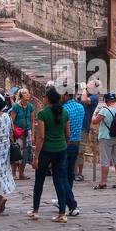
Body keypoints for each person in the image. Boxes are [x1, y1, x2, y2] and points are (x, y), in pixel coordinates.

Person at [29, 85, 74, 222]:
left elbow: (41, 136)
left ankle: (36, 210)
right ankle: (62, 213)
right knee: (59, 181)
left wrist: (36, 156)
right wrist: (64, 145)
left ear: (47, 99)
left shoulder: (43, 114)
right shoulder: (65, 112)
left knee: (39, 180)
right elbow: (68, 133)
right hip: (61, 149)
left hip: (46, 150)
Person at [93, 92, 116, 189]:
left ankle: (103, 182)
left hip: (106, 137)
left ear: (106, 101)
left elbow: (94, 121)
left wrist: (95, 113)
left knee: (105, 160)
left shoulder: (104, 110)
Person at [62, 83, 86, 193]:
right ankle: (69, 194)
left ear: (66, 95)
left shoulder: (63, 109)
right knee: (70, 172)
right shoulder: (80, 108)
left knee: (62, 173)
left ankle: (65, 197)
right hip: (75, 143)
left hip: (64, 143)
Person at [10, 87, 34, 180]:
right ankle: (13, 174)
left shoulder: (30, 106)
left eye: (27, 93)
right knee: (16, 152)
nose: (27, 95)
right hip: (18, 133)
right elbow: (12, 121)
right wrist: (11, 134)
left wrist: (32, 134)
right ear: (20, 96)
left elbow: (32, 121)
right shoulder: (16, 106)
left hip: (27, 132)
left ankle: (21, 173)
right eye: (24, 93)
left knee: (26, 153)